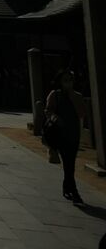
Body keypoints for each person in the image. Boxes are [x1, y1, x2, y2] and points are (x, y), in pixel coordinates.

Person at [45, 69, 86, 203]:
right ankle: (74, 192)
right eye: (65, 80)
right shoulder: (54, 95)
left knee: (70, 163)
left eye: (70, 80)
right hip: (60, 133)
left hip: (73, 133)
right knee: (68, 163)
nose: (68, 83)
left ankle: (67, 187)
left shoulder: (77, 96)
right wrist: (55, 118)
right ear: (60, 82)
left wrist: (73, 96)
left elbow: (82, 113)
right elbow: (48, 111)